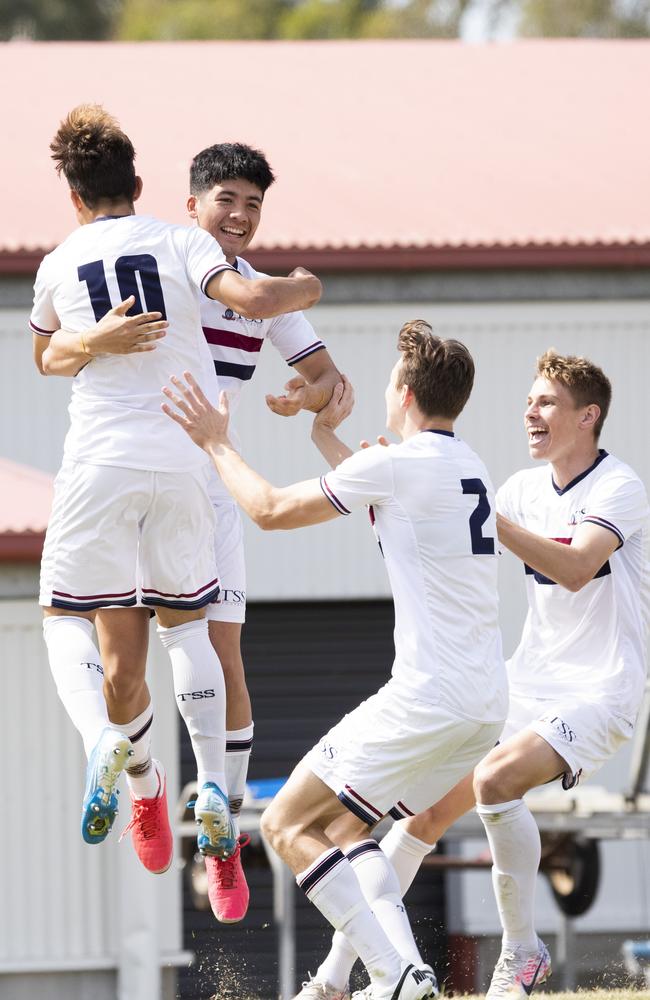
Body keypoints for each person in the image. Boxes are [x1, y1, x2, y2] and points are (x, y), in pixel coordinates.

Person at [41, 138, 342, 922]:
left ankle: (221, 836)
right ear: (188, 207)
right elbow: (61, 347)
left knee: (221, 652)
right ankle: (149, 793)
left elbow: (326, 379)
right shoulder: (184, 261)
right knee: (124, 665)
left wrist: (302, 399)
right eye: (226, 202)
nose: (239, 215)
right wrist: (307, 282)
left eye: (252, 204)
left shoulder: (235, 277)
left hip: (201, 479)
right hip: (165, 470)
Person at [162, 320, 508, 1000]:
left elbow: (267, 509)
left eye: (389, 379)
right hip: (482, 706)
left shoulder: (397, 466)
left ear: (404, 393)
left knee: (287, 824)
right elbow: (384, 496)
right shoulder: (468, 464)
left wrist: (215, 441)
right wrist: (322, 433)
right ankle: (348, 980)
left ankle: (395, 974)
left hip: (428, 696)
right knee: (348, 826)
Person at [301, 349, 650, 1000]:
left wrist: (493, 518)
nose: (530, 410)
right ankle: (334, 979)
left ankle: (523, 953)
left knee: (493, 780)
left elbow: (576, 569)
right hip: (527, 681)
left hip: (602, 690)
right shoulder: (516, 488)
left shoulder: (617, 487)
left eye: (546, 401)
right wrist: (356, 455)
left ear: (588, 417)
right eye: (528, 399)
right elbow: (419, 511)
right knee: (421, 817)